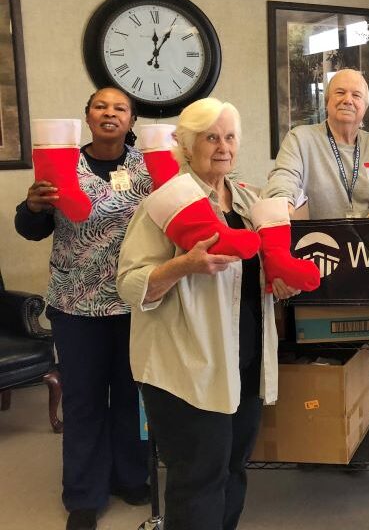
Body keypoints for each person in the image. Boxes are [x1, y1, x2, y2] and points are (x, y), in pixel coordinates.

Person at [117, 99, 290, 530]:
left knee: (233, 469)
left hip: (243, 363)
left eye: (229, 137)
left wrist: (280, 281)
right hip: (186, 368)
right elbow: (129, 284)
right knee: (199, 477)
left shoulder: (251, 201)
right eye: (211, 137)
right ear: (187, 146)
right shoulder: (165, 203)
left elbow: (261, 271)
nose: (223, 147)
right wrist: (183, 265)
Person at [14, 87, 152, 530]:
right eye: (101, 107)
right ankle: (84, 495)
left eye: (120, 109)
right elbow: (31, 226)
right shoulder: (61, 163)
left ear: (131, 121)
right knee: (84, 401)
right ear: (87, 117)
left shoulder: (149, 166)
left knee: (132, 397)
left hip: (134, 302)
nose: (110, 114)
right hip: (75, 306)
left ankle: (130, 477)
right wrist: (33, 206)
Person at [264, 68, 369, 218]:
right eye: (340, 92)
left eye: (356, 95)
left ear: (365, 107)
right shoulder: (300, 139)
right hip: (319, 238)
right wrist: (282, 201)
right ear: (327, 101)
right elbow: (284, 177)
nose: (347, 100)